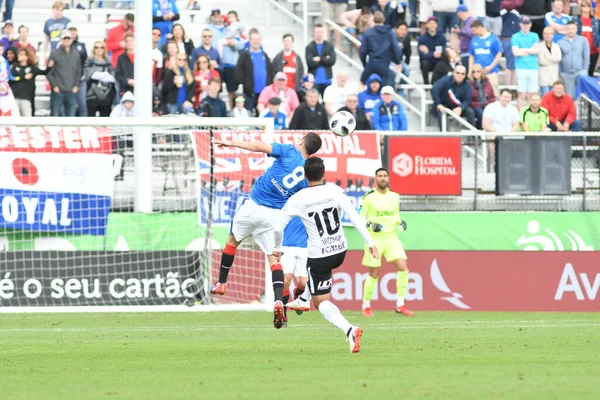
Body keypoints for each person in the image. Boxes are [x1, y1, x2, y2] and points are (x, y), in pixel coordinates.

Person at [209, 132, 323, 330]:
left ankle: (221, 282)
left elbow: (257, 146)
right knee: (274, 258)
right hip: (273, 217)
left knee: (233, 241)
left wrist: (231, 142)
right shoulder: (305, 178)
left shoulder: (288, 151)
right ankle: (278, 300)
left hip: (252, 206)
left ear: (302, 142)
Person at [277, 157, 379, 352]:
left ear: (305, 176)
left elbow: (278, 225)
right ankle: (303, 299)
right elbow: (354, 216)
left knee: (321, 302)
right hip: (340, 251)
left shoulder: (298, 198)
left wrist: (275, 247)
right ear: (324, 174)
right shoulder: (335, 190)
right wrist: (370, 241)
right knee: (311, 276)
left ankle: (350, 330)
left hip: (319, 256)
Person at [359, 167, 413, 317]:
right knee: (374, 273)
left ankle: (400, 304)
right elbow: (360, 217)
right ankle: (366, 306)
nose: (382, 178)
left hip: (391, 238)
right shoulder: (368, 197)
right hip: (374, 240)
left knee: (403, 267)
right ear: (375, 179)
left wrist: (400, 222)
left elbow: (395, 215)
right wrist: (371, 225)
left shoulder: (395, 196)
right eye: (380, 176)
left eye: (385, 176)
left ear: (388, 178)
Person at [279, 217, 309, 327]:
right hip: (286, 247)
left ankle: (298, 294)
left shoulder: (307, 202)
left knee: (304, 284)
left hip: (304, 247)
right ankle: (284, 313)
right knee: (286, 281)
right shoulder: (285, 202)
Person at [359, 11, 402, 86]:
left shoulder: (368, 33)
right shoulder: (390, 33)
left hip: (371, 63)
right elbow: (396, 49)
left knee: (362, 83)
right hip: (384, 65)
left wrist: (364, 63)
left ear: (373, 20)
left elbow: (362, 51)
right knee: (384, 91)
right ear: (384, 19)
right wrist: (398, 62)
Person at [236, 30, 273, 114]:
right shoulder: (245, 55)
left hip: (264, 95)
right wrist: (246, 84)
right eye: (254, 39)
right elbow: (239, 72)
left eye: (258, 39)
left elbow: (270, 72)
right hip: (250, 93)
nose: (256, 41)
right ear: (250, 41)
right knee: (248, 115)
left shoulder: (265, 55)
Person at [47, 30, 81, 117]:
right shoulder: (54, 53)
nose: (66, 40)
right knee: (55, 116)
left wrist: (76, 85)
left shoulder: (76, 54)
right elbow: (49, 72)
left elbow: (79, 71)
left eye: (68, 38)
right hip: (58, 90)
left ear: (72, 39)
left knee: (71, 117)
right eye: (64, 38)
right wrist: (54, 86)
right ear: (61, 40)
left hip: (71, 90)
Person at [10, 48, 49, 117]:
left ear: (27, 56)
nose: (20, 56)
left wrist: (49, 66)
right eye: (19, 54)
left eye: (22, 54)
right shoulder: (15, 67)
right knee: (15, 118)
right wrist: (23, 77)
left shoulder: (32, 68)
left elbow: (44, 72)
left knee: (26, 118)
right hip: (15, 97)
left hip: (26, 98)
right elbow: (11, 78)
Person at [468, 19, 503, 97]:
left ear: (480, 27)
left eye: (474, 30)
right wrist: (470, 70)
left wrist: (491, 66)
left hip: (491, 72)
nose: (473, 33)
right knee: (477, 95)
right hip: (477, 73)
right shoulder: (474, 40)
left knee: (493, 93)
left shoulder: (493, 39)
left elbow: (499, 53)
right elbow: (471, 56)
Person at [512, 16, 540, 110]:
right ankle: (521, 115)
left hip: (533, 67)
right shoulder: (515, 36)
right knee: (522, 93)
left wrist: (523, 50)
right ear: (520, 24)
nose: (526, 26)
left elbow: (536, 50)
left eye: (527, 23)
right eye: (524, 24)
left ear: (530, 24)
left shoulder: (534, 35)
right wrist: (530, 50)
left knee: (531, 94)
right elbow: (516, 52)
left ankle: (529, 113)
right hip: (521, 67)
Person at [558, 21, 590, 98]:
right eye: (568, 28)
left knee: (583, 96)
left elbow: (586, 56)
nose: (571, 30)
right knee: (569, 97)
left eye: (573, 28)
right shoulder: (560, 42)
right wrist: (560, 73)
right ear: (565, 29)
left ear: (576, 29)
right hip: (566, 74)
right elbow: (559, 59)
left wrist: (585, 70)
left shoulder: (583, 40)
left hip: (580, 72)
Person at [84, 41, 115, 117]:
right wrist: (105, 74)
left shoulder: (108, 62)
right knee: (91, 121)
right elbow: (90, 74)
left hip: (106, 94)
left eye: (101, 47)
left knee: (104, 121)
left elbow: (112, 78)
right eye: (96, 47)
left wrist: (98, 74)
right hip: (92, 94)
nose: (99, 49)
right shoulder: (89, 61)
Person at [218, 28, 245, 109]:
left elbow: (241, 46)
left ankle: (233, 108)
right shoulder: (220, 37)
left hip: (232, 67)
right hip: (222, 66)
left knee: (232, 91)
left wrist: (232, 43)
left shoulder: (235, 38)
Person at [306, 24, 336, 95]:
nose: (319, 34)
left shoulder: (329, 46)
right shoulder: (309, 47)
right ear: (314, 33)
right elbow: (309, 63)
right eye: (317, 32)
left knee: (326, 101)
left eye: (321, 32)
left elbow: (332, 61)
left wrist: (319, 59)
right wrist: (325, 59)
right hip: (314, 80)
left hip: (327, 80)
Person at [572, 1, 600, 77]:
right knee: (580, 74)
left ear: (590, 7)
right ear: (580, 7)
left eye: (588, 5)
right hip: (579, 51)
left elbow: (598, 34)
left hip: (593, 51)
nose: (585, 7)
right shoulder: (575, 20)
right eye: (583, 5)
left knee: (590, 73)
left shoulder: (596, 20)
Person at [418, 16, 446, 85]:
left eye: (434, 23)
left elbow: (443, 54)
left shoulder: (441, 37)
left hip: (438, 62)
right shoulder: (422, 38)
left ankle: (436, 85)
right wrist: (433, 54)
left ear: (436, 25)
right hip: (428, 63)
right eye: (430, 23)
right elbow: (422, 55)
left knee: (441, 64)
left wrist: (428, 53)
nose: (432, 25)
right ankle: (426, 84)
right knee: (424, 63)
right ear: (427, 25)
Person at [469, 64, 496, 130]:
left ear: (481, 72)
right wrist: (477, 104)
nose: (476, 73)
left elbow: (492, 96)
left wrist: (490, 103)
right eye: (473, 71)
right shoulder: (469, 84)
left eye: (478, 71)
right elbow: (468, 99)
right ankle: (482, 131)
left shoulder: (487, 82)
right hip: (476, 105)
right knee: (481, 114)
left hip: (487, 104)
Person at [501, 8, 521, 89]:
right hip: (508, 40)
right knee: (510, 66)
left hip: (510, 40)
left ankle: (511, 88)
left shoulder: (514, 14)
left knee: (512, 66)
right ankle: (509, 88)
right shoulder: (503, 14)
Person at [539, 27, 562, 96]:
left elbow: (558, 58)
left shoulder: (556, 46)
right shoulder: (539, 46)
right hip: (543, 77)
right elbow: (541, 61)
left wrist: (548, 57)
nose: (548, 36)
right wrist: (553, 60)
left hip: (554, 77)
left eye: (550, 34)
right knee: (545, 97)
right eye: (546, 34)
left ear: (553, 35)